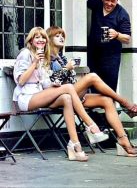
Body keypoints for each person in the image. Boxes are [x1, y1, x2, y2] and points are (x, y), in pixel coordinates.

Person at [12, 27, 109, 162]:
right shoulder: (26, 54)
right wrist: (34, 63)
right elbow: (21, 81)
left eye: (43, 37)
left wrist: (54, 85)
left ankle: (75, 145)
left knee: (66, 97)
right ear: (31, 40)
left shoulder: (43, 56)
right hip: (26, 98)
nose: (41, 40)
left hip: (40, 93)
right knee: (69, 87)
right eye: (37, 37)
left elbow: (45, 82)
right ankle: (91, 126)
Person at [46, 25, 137, 157]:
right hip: (57, 97)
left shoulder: (61, 57)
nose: (61, 37)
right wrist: (67, 69)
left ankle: (122, 139)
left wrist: (73, 76)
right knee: (92, 77)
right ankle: (126, 104)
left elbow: (69, 80)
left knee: (106, 100)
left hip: (72, 94)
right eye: (57, 35)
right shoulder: (46, 58)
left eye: (62, 35)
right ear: (49, 39)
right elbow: (51, 82)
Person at [87, 0, 131, 93]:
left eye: (113, 1)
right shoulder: (97, 4)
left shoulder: (122, 14)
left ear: (117, 0)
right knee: (92, 80)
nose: (109, 3)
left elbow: (127, 38)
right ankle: (94, 107)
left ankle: (108, 106)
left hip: (111, 56)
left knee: (109, 84)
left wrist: (117, 35)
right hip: (93, 52)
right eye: (107, 0)